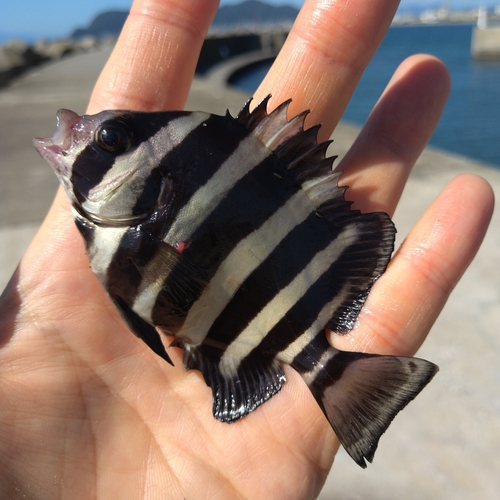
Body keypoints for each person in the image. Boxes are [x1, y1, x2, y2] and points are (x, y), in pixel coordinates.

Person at [0, 0, 494, 498]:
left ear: (158, 184)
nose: (72, 123)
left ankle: (334, 378)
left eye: (108, 139)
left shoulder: (121, 220)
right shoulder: (124, 213)